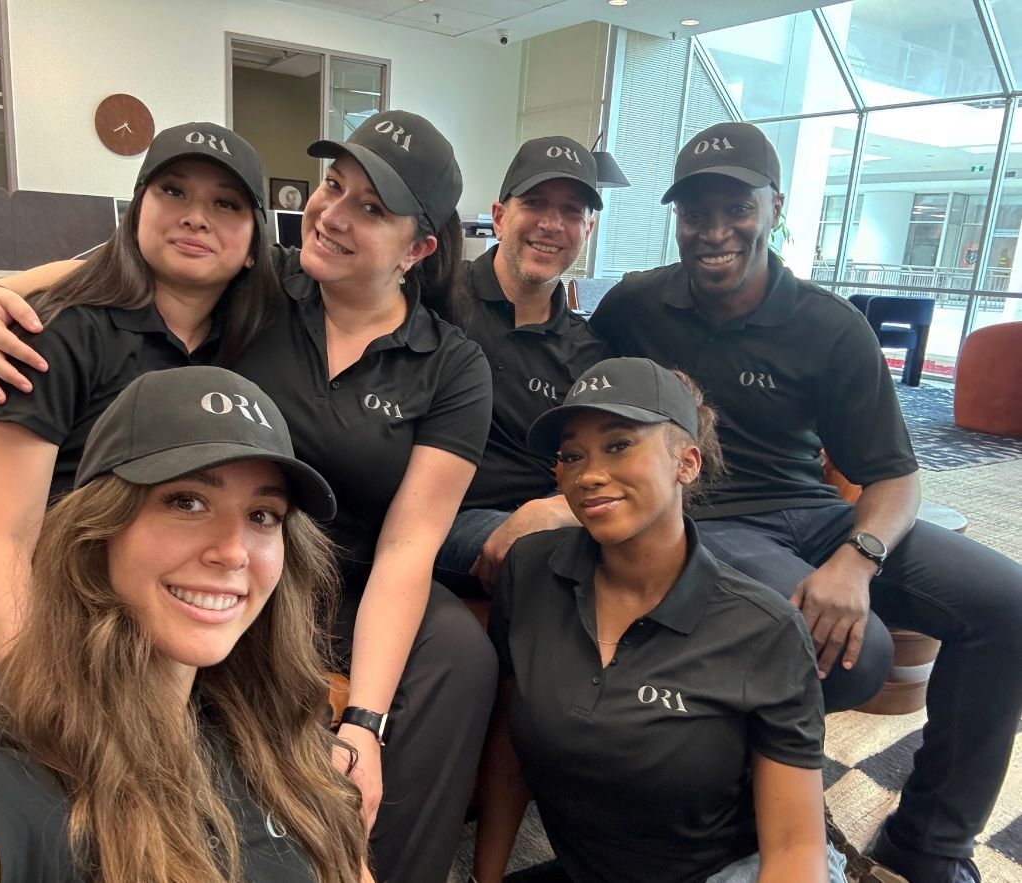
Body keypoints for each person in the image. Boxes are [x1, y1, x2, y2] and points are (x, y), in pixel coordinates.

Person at [0, 109, 496, 883]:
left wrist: (366, 722)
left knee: (460, 655)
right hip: (241, 555)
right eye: (331, 186)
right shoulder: (270, 286)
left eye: (370, 209)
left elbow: (411, 546)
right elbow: (132, 256)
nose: (333, 215)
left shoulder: (452, 367)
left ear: (418, 249)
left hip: (358, 575)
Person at [590, 121, 1022, 883]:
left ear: (775, 206)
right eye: (695, 213)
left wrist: (857, 556)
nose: (713, 231)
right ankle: (754, 824)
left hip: (815, 512)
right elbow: (576, 387)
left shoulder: (829, 325)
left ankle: (926, 845)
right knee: (861, 655)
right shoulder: (634, 306)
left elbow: (893, 474)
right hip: (709, 517)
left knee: (1006, 600)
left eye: (735, 207)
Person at [0, 121, 277, 798]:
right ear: (138, 212)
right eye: (173, 191)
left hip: (75, 598)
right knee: (12, 763)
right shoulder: (64, 329)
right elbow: (2, 542)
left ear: (254, 243)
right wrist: (47, 700)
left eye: (227, 203)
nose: (195, 215)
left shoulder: (239, 352)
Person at [0, 365, 370, 883]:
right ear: (97, 536)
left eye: (263, 515)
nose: (233, 552)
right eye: (186, 502)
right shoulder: (19, 779)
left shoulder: (288, 743)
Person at [473, 357, 844, 883]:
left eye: (619, 444)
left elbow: (793, 849)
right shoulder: (530, 571)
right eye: (571, 455)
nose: (589, 474)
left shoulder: (764, 630)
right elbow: (510, 750)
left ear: (687, 462)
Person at [434, 136, 610, 594]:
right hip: (436, 520)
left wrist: (554, 510)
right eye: (534, 203)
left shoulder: (589, 354)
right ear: (499, 216)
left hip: (543, 521)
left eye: (572, 211)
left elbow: (597, 462)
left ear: (586, 231)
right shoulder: (434, 300)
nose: (551, 224)